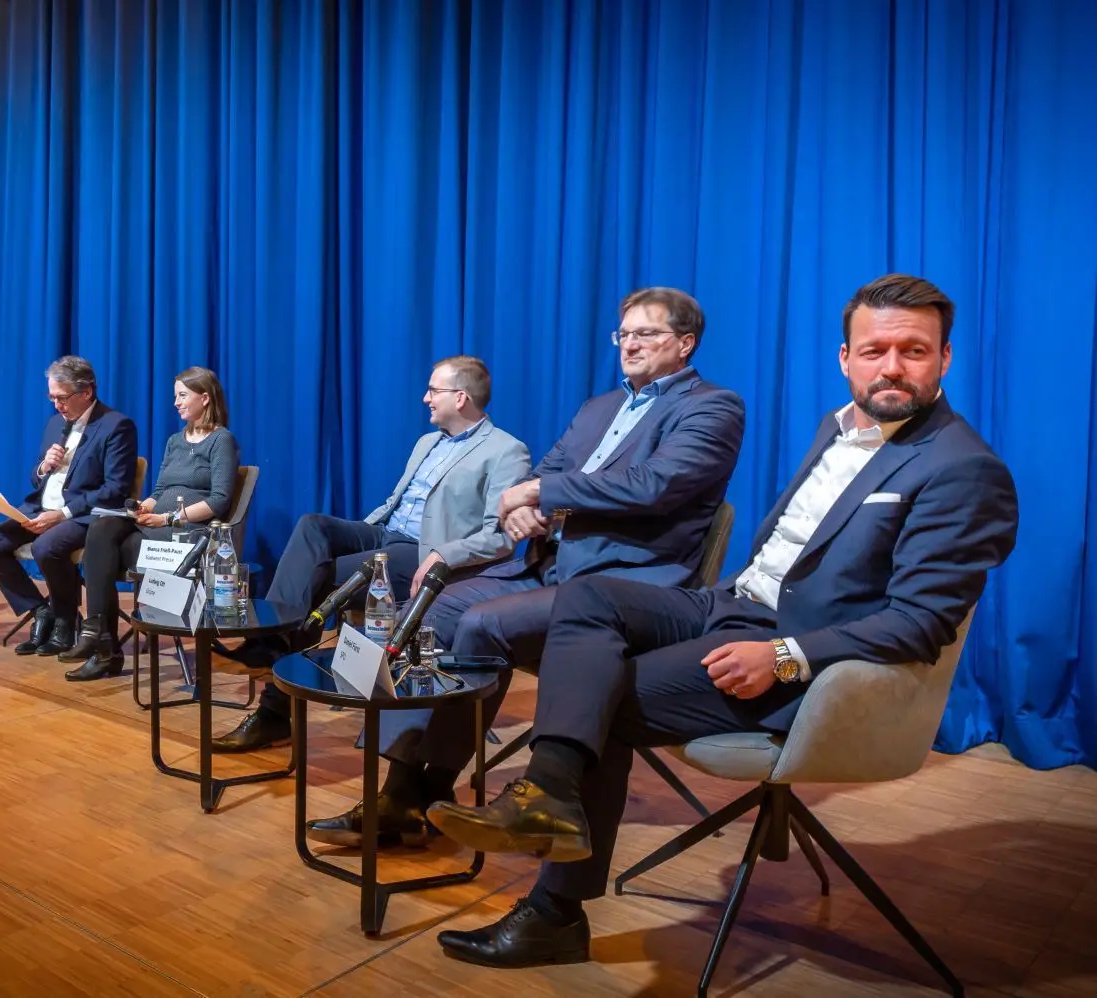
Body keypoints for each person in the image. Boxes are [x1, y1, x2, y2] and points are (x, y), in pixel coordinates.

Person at [423, 274, 1019, 969]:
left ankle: (554, 913)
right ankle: (547, 791)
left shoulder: (962, 468)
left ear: (945, 358)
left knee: (597, 693)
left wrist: (786, 655)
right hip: (733, 605)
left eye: (912, 351)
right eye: (873, 350)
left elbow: (919, 624)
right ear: (844, 358)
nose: (891, 367)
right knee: (589, 600)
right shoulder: (837, 427)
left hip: (802, 653)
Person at [306, 287, 747, 848]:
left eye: (647, 333)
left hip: (625, 583)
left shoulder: (712, 406)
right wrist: (528, 502)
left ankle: (426, 790)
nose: (630, 344)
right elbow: (546, 470)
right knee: (432, 610)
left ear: (685, 344)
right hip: (548, 567)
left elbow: (654, 484)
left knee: (482, 624)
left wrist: (540, 495)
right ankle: (398, 792)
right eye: (624, 334)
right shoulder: (599, 408)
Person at [212, 355, 533, 753]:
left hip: (426, 553)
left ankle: (273, 708)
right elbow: (396, 502)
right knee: (313, 526)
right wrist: (363, 532)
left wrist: (444, 555)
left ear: (461, 397)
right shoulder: (427, 442)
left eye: (433, 390)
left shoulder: (506, 451)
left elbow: (499, 538)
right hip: (384, 535)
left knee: (317, 579)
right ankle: (272, 645)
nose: (426, 398)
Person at [60, 366, 240, 681]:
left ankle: (102, 646)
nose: (176, 403)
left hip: (187, 538)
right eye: (175, 396)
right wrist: (145, 508)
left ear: (205, 398)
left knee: (99, 554)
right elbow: (159, 492)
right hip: (153, 529)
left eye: (182, 396)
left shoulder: (221, 440)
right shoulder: (175, 441)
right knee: (103, 526)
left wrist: (168, 517)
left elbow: (219, 501)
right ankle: (99, 638)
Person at [0, 356, 137, 656]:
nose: (57, 405)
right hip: (40, 509)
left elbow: (115, 489)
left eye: (62, 398)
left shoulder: (116, 426)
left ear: (87, 392)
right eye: (52, 398)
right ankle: (40, 610)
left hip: (82, 515)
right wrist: (43, 467)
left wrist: (61, 515)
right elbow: (37, 480)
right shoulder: (54, 423)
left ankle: (65, 621)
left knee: (46, 547)